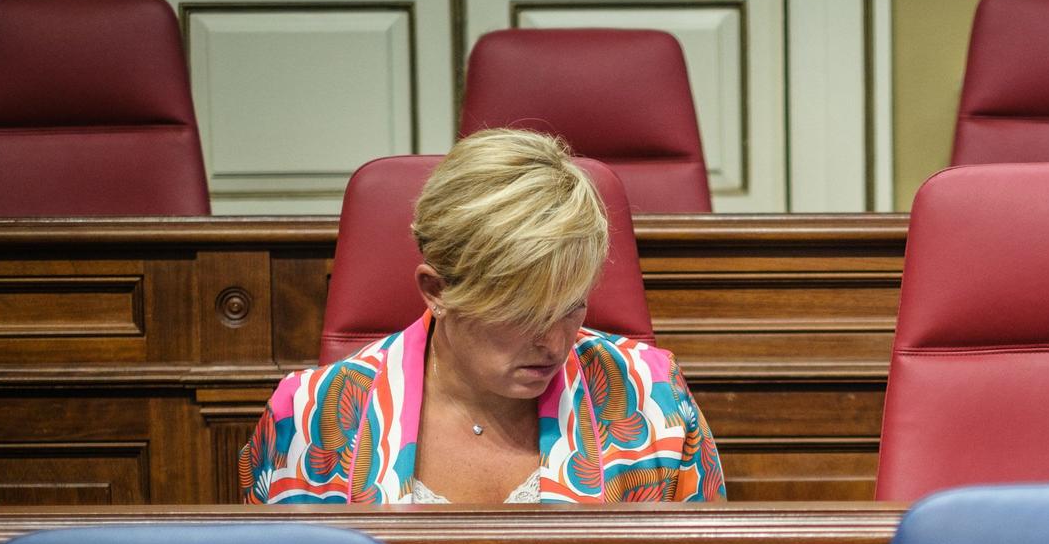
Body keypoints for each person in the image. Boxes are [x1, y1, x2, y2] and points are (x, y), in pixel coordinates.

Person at [242, 128, 722, 504]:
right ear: (437, 290)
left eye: (571, 306)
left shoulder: (652, 397)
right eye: (522, 312)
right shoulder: (312, 416)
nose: (554, 342)